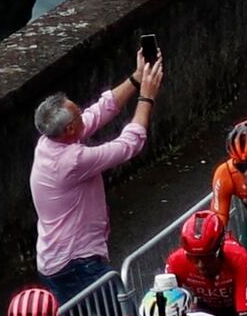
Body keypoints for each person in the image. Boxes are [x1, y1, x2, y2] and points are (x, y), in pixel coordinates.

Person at [28, 40, 162, 291]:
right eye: (77, 113)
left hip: (54, 262)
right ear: (69, 129)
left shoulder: (48, 142)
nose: (83, 113)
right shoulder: (72, 161)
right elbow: (129, 144)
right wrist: (147, 96)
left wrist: (136, 77)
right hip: (79, 263)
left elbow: (98, 112)